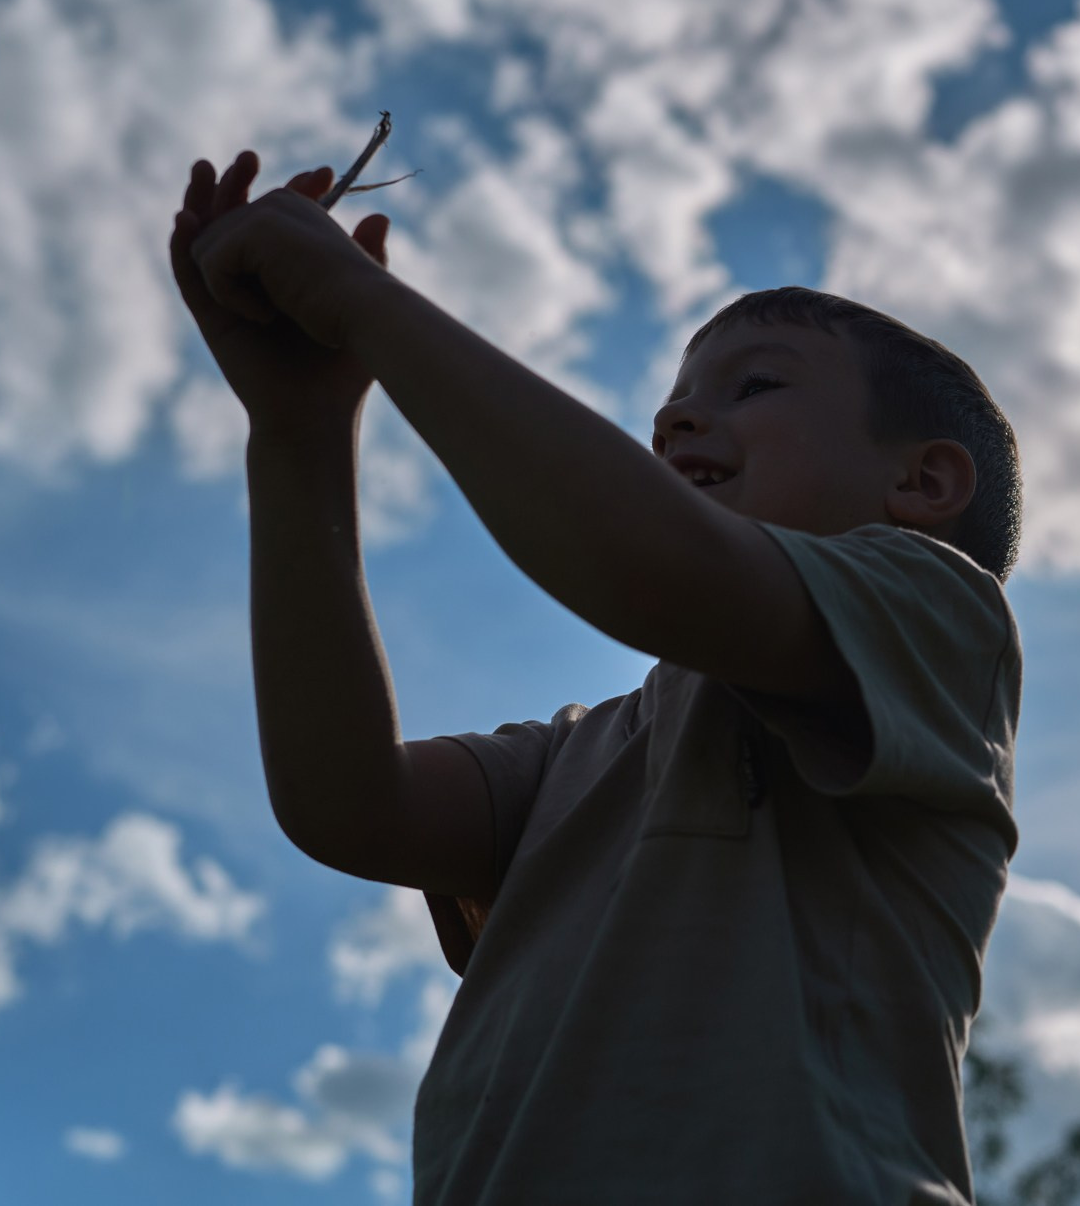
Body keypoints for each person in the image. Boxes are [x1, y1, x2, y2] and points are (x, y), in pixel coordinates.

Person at [169, 148, 1026, 1205]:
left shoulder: (938, 618)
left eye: (753, 385)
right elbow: (344, 804)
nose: (672, 421)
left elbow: (645, 563)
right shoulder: (579, 755)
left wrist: (362, 305)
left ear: (923, 481)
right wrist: (299, 434)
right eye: (669, 404)